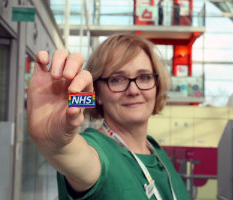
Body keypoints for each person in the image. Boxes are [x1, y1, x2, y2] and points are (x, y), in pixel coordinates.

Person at [27, 33, 190, 199]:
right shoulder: (97, 151)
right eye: (117, 79)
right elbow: (74, 156)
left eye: (144, 77)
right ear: (97, 93)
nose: (133, 90)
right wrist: (56, 145)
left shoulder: (154, 149)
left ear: (157, 85)